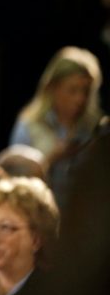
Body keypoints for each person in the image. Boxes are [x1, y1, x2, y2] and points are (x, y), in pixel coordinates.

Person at [9, 46, 104, 207]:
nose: (80, 99)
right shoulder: (29, 126)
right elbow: (14, 180)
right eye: (72, 90)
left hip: (85, 219)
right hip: (39, 216)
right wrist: (51, 159)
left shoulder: (96, 129)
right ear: (52, 87)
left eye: (86, 91)